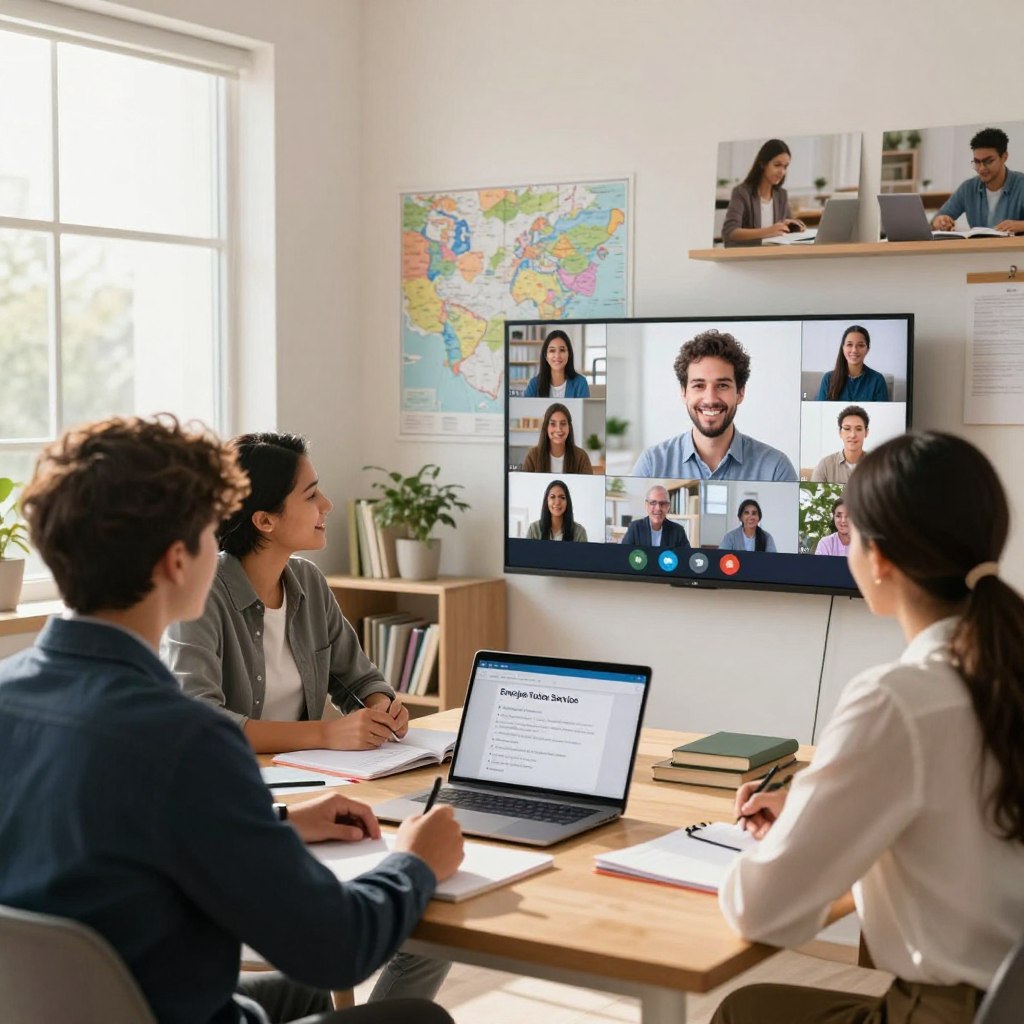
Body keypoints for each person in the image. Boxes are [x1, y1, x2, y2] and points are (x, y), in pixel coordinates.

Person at [0, 415, 463, 1024]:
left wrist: (277, 824)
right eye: (207, 530)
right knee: (418, 1019)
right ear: (177, 561)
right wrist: (415, 860)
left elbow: (115, 839)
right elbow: (339, 948)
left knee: (296, 993)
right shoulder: (187, 740)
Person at [712, 431, 1024, 1024]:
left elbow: (760, 910)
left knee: (744, 1010)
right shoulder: (1005, 665)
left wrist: (793, 834)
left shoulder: (896, 700)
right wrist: (813, 804)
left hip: (948, 1012)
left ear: (878, 558)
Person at [163, 431, 451, 1005]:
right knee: (416, 905)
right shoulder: (202, 595)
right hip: (252, 803)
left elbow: (356, 674)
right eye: (312, 494)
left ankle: (374, 1012)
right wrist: (324, 732)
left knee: (435, 910)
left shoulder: (309, 584)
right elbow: (198, 717)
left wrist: (378, 703)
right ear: (266, 520)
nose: (328, 506)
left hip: (317, 794)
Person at [631, 329, 797, 482]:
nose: (710, 399)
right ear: (684, 393)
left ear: (740, 392)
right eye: (699, 385)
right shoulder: (651, 465)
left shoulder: (776, 469)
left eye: (722, 385)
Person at [932, 127, 1024, 234]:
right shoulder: (968, 188)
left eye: (988, 161)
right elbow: (938, 219)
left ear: (1004, 157)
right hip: (978, 249)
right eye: (977, 162)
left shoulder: (1021, 185)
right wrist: (940, 221)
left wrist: (1020, 225)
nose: (981, 168)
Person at [721, 139, 805, 247]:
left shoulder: (781, 195)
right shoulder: (741, 192)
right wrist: (769, 230)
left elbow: (787, 226)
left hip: (775, 256)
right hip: (749, 258)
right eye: (777, 165)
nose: (782, 172)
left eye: (785, 167)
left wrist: (796, 226)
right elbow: (730, 232)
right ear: (762, 164)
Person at [815, 325, 889, 403]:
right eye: (849, 345)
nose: (854, 350)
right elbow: (821, 412)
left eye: (860, 345)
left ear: (867, 349)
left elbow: (882, 413)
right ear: (843, 348)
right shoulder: (828, 379)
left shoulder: (877, 380)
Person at [521, 402, 594, 474]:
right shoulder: (533, 455)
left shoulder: (581, 456)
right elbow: (524, 483)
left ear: (569, 427)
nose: (558, 429)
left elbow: (588, 485)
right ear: (546, 427)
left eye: (563, 423)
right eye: (553, 424)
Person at [522, 329, 591, 398]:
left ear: (569, 354)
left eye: (562, 350)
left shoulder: (580, 383)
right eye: (552, 350)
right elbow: (524, 408)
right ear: (546, 356)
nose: (557, 355)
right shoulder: (534, 384)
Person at [811, 405, 870, 483]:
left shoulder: (877, 464)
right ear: (840, 432)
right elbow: (814, 494)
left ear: (866, 432)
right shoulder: (825, 465)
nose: (852, 435)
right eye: (847, 429)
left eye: (858, 429)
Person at [620, 484, 690, 549]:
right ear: (646, 505)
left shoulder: (678, 531)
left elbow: (686, 558)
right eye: (653, 503)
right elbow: (624, 555)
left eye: (662, 503)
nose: (658, 508)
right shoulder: (635, 528)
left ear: (668, 506)